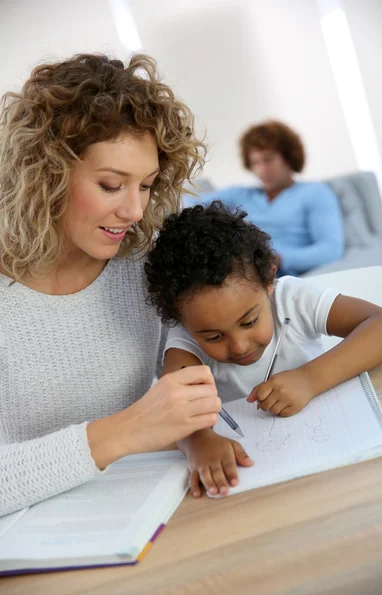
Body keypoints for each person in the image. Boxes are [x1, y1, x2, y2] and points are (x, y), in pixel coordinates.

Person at [0, 54, 222, 517]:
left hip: (151, 511)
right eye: (110, 184)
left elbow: (194, 349)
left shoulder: (141, 263)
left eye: (145, 185)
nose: (135, 211)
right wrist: (124, 431)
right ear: (45, 176)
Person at [145, 201, 382, 498]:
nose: (239, 346)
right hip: (264, 481)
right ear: (183, 321)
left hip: (336, 463)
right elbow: (174, 403)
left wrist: (309, 379)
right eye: (213, 337)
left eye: (250, 320)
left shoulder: (291, 299)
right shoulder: (186, 337)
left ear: (268, 280)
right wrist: (197, 440)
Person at [188, 120, 344, 276]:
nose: (262, 169)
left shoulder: (315, 192)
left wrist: (280, 259)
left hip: (279, 274)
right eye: (255, 162)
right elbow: (189, 206)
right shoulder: (238, 194)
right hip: (236, 269)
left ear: (288, 158)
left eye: (268, 159)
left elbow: (331, 249)